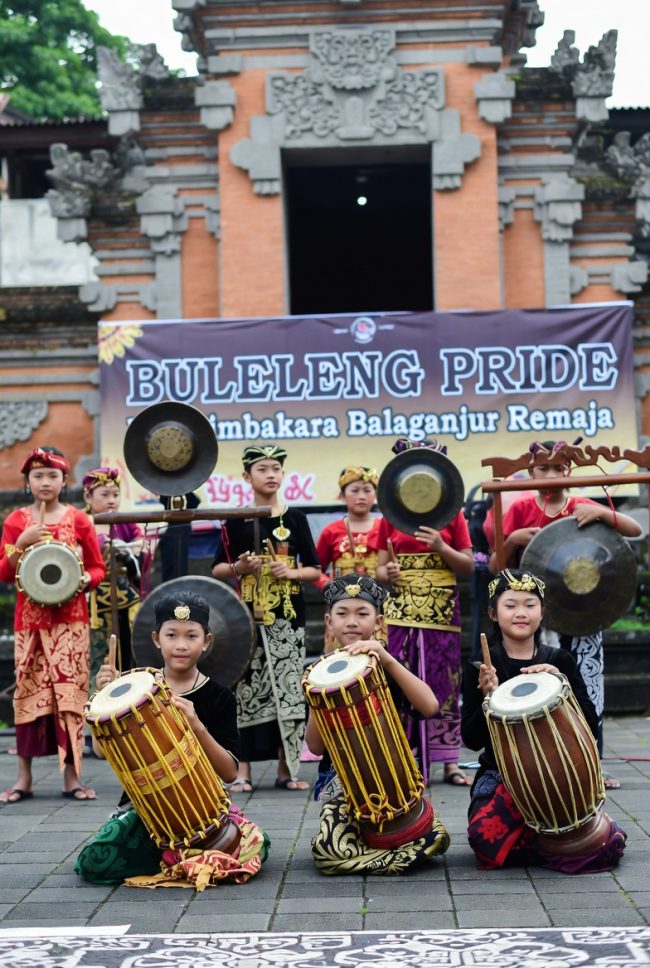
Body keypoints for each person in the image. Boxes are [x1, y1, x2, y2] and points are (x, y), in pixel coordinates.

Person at [75, 592, 269, 887]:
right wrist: (105, 699)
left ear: (206, 641)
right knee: (94, 861)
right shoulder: (134, 690)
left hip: (202, 807)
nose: (181, 645)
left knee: (258, 845)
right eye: (171, 635)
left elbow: (230, 772)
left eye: (191, 636)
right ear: (157, 639)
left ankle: (176, 858)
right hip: (145, 808)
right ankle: (178, 858)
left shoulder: (220, 697)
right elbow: (103, 752)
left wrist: (197, 725)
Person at [489, 439, 642, 785]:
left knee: (587, 691)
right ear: (531, 472)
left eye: (558, 468)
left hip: (583, 613)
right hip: (534, 618)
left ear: (568, 470)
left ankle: (592, 768)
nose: (551, 475)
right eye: (543, 469)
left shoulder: (581, 505)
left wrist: (603, 514)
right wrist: (513, 540)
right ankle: (536, 768)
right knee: (536, 689)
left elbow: (635, 530)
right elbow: (497, 568)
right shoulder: (520, 508)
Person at [461, 568, 626, 873]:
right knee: (483, 839)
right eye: (510, 605)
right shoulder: (481, 667)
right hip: (500, 773)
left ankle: (545, 841)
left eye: (530, 604)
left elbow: (590, 724)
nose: (520, 613)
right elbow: (470, 740)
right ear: (493, 613)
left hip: (559, 773)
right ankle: (552, 843)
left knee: (603, 841)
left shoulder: (559, 661)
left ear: (542, 612)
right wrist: (488, 698)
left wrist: (562, 684)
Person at [305, 573, 450, 875]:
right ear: (329, 622)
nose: (352, 622)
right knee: (329, 851)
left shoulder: (385, 665)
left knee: (431, 835)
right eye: (342, 614)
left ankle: (377, 852)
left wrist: (389, 661)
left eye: (362, 613)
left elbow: (430, 706)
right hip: (343, 782)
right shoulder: (317, 674)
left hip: (392, 775)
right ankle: (389, 855)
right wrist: (322, 687)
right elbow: (315, 747)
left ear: (379, 622)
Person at [211, 444, 321, 793]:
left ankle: (287, 768)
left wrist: (291, 573)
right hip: (246, 620)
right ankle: (242, 770)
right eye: (262, 469)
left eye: (275, 468)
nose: (270, 474)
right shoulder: (235, 520)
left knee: (289, 690)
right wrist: (239, 567)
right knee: (245, 691)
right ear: (247, 476)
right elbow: (217, 569)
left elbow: (315, 569)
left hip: (287, 618)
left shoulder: (296, 518)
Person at [0, 446, 105, 803]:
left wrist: (85, 580)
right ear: (27, 482)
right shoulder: (15, 522)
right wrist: (20, 544)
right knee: (26, 695)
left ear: (64, 481)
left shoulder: (79, 520)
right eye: (38, 476)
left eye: (52, 476)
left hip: (70, 624)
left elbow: (97, 568)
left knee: (70, 697)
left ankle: (72, 778)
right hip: (29, 625)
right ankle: (24, 779)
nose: (45, 482)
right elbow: (4, 573)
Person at [375, 438, 474, 786]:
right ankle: (406, 757)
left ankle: (449, 761)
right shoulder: (389, 517)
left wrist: (441, 546)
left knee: (444, 679)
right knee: (402, 679)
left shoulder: (454, 514)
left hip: (441, 610)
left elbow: (467, 566)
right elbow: (379, 569)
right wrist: (387, 573)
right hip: (400, 608)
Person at [83, 467, 144, 683]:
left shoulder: (124, 521)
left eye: (116, 495)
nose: (112, 500)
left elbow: (141, 543)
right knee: (99, 651)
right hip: (95, 598)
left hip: (125, 594)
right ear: (88, 497)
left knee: (131, 647)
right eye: (105, 494)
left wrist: (126, 549)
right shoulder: (83, 523)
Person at [316, 466, 382, 583]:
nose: (361, 496)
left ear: (375, 495)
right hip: (343, 594)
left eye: (367, 491)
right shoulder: (331, 531)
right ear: (342, 496)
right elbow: (315, 569)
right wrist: (327, 585)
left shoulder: (384, 529)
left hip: (378, 593)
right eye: (355, 491)